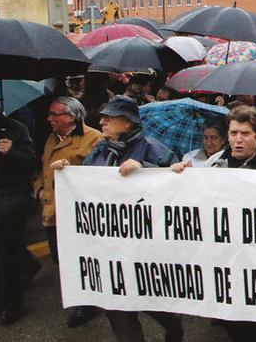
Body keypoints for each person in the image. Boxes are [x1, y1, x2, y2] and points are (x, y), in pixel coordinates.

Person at [73, 95, 183, 342]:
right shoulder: (100, 148)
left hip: (145, 245)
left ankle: (172, 323)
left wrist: (144, 167)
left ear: (127, 123)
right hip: (110, 244)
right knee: (117, 305)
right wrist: (66, 173)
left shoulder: (153, 148)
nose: (102, 122)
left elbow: (177, 183)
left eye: (108, 118)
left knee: (151, 295)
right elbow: (86, 183)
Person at [172, 105, 256, 341]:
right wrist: (181, 176)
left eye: (245, 134)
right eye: (233, 133)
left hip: (255, 260)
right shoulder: (214, 163)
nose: (238, 140)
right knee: (231, 320)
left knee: (253, 325)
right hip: (223, 257)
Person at [33, 97, 102, 327]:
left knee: (79, 257)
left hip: (78, 213)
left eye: (55, 114)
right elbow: (42, 169)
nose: (49, 119)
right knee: (57, 256)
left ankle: (86, 303)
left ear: (71, 117)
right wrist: (39, 189)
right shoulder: (51, 139)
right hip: (52, 212)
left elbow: (99, 175)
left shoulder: (93, 138)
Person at [0, 110, 37, 325]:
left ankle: (11, 304)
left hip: (10, 201)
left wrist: (12, 152)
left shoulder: (15, 129)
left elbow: (32, 162)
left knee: (7, 257)